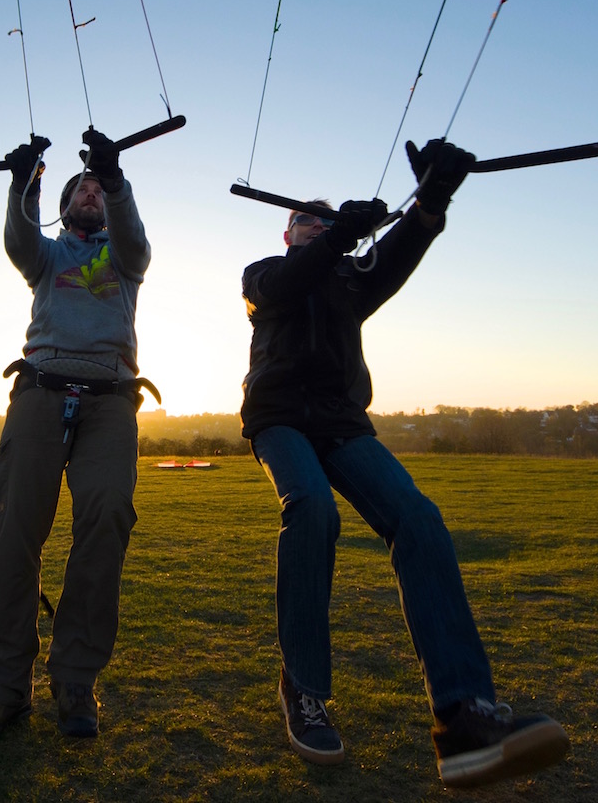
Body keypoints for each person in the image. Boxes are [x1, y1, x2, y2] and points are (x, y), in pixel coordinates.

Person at [239, 138, 569, 789]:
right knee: (310, 509)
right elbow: (284, 285)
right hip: (277, 418)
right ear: (286, 230)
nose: (318, 224)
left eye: (326, 219)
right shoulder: (262, 276)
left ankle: (464, 717)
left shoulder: (347, 279)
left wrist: (431, 200)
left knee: (417, 518)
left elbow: (391, 259)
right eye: (307, 218)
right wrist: (340, 237)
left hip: (341, 421)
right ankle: (302, 688)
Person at [0, 128, 154, 751]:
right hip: (40, 392)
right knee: (15, 527)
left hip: (111, 400)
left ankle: (76, 680)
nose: (89, 192)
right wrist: (22, 186)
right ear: (62, 208)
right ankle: (6, 687)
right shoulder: (47, 256)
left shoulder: (124, 259)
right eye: (81, 188)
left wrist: (115, 179)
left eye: (97, 187)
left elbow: (136, 237)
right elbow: (19, 239)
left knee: (108, 513)